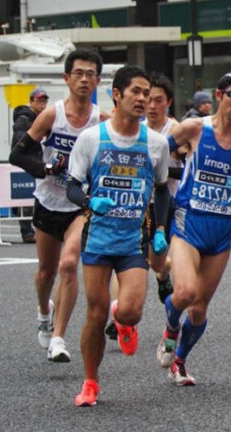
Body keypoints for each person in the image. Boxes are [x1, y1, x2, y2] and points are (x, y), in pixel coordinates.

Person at [65, 65, 172, 406]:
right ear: (117, 95)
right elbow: (72, 186)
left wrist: (159, 229)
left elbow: (162, 190)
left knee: (130, 311)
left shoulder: (155, 143)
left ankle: (124, 323)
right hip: (97, 238)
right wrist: (88, 200)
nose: (142, 99)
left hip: (133, 240)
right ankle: (90, 382)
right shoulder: (92, 138)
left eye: (147, 93)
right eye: (136, 92)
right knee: (96, 315)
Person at [157, 71, 231, 385]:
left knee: (200, 308)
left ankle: (179, 360)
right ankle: (170, 327)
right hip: (188, 222)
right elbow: (159, 153)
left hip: (222, 231)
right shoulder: (193, 129)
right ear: (219, 96)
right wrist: (160, 178)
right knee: (185, 292)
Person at [10, 49, 109, 364]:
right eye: (78, 73)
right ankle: (44, 311)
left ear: (97, 80)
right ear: (67, 78)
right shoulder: (52, 115)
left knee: (69, 265)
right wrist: (46, 169)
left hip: (79, 205)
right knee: (45, 272)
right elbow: (18, 154)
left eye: (90, 74)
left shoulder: (101, 120)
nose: (84, 79)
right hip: (47, 201)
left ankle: (58, 338)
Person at [143, 72, 180, 305]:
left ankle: (164, 272)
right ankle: (118, 317)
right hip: (142, 205)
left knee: (159, 258)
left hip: (169, 204)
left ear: (168, 102)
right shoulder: (138, 129)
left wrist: (159, 172)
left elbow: (188, 169)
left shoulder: (177, 130)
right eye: (148, 99)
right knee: (136, 256)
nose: (152, 106)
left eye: (158, 100)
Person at [12, 88, 49, 243]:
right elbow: (20, 138)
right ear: (31, 101)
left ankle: (38, 229)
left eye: (44, 101)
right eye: (38, 100)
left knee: (38, 195)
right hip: (27, 161)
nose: (41, 104)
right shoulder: (24, 118)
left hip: (41, 161)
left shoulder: (46, 118)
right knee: (24, 196)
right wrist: (32, 141)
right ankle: (27, 231)